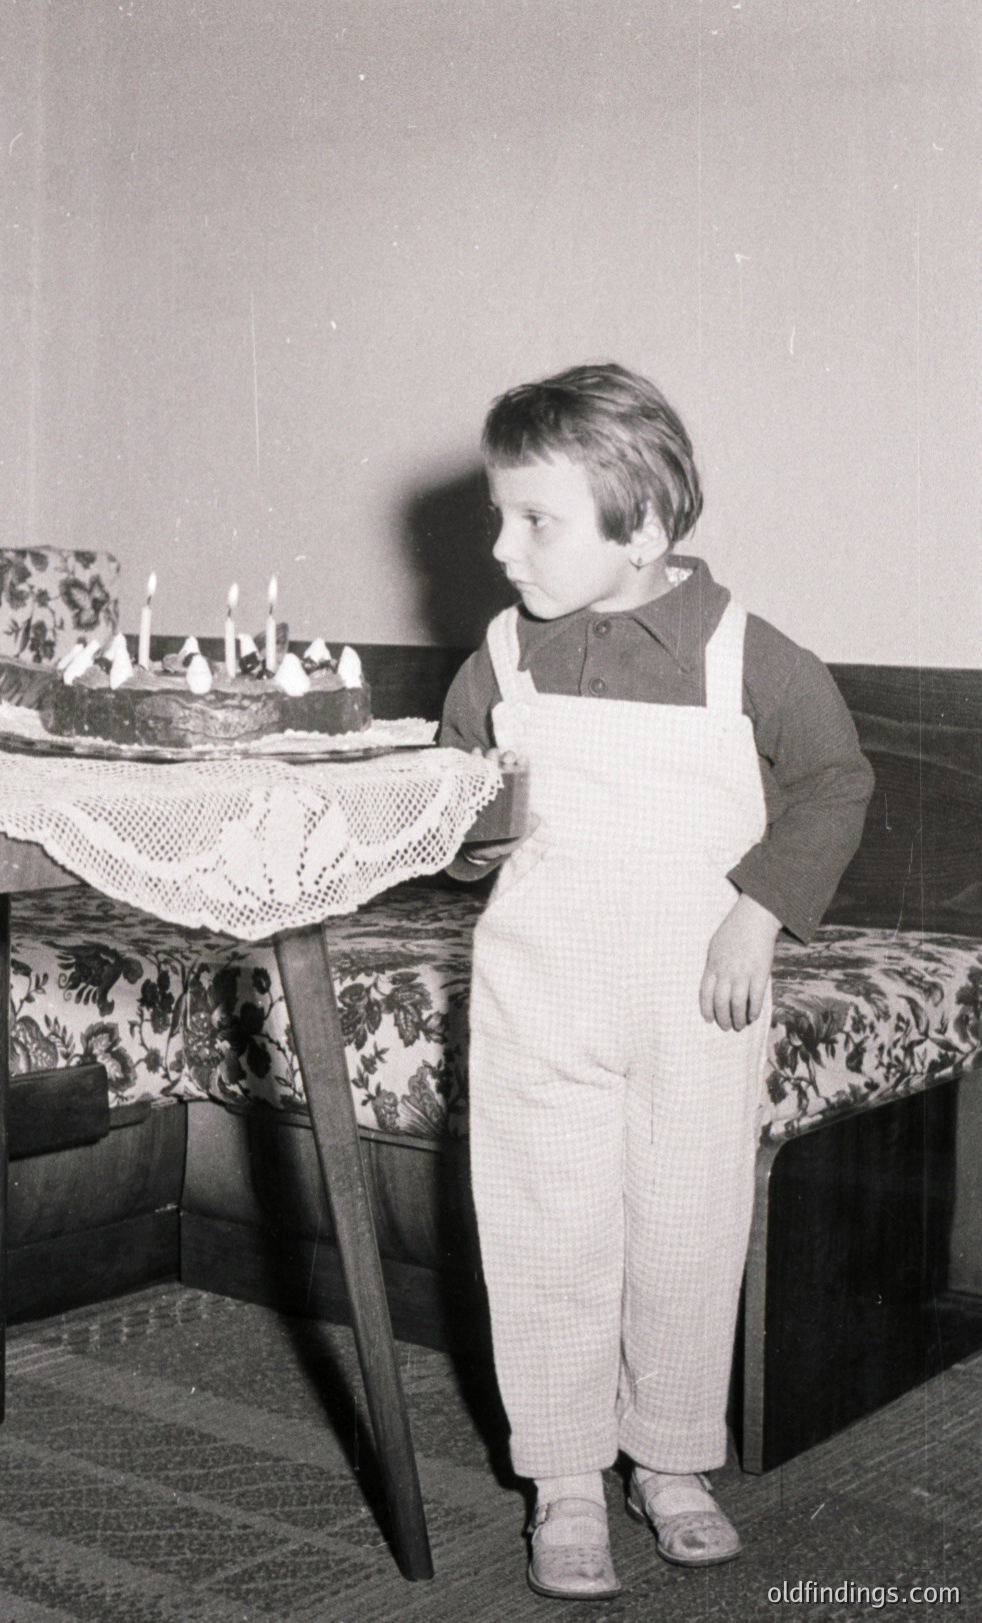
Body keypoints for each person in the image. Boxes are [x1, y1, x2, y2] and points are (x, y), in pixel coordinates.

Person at [441, 361, 874, 1601]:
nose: (500, 545)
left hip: (698, 997)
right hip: (542, 996)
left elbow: (837, 784)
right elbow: (458, 792)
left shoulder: (751, 656)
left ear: (645, 527)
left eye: (535, 520)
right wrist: (474, 830)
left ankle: (671, 1458)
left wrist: (760, 913)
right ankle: (566, 1474)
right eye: (500, 512)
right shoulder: (500, 657)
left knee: (686, 1225)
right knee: (548, 1226)